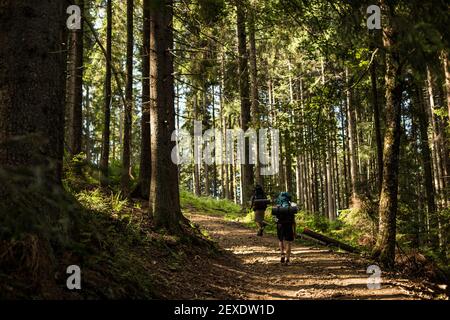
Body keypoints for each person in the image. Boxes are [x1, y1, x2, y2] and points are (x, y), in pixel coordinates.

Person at [274, 192, 296, 265]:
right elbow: (293, 221)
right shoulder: (291, 207)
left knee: (281, 240)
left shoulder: (278, 206)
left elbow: (275, 219)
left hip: (280, 225)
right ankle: (288, 259)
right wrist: (294, 231)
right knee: (288, 242)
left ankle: (282, 254)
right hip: (289, 225)